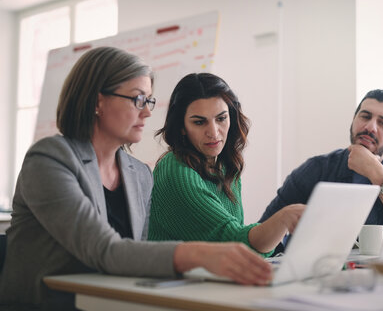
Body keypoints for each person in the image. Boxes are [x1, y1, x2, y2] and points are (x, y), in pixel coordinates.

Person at [0, 47, 272, 310]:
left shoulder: (139, 173)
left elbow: (137, 259)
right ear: (98, 101)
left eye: (149, 100)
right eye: (138, 99)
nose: (148, 112)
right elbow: (104, 250)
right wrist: (198, 254)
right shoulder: (49, 160)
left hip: (113, 303)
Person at [148, 73, 304, 256]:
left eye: (221, 118)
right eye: (199, 122)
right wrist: (283, 218)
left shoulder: (224, 165)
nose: (214, 133)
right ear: (181, 127)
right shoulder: (177, 173)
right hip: (174, 283)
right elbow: (236, 245)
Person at [259, 89, 383, 251]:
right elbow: (261, 234)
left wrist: (377, 174)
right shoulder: (316, 169)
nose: (370, 127)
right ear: (353, 120)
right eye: (365, 116)